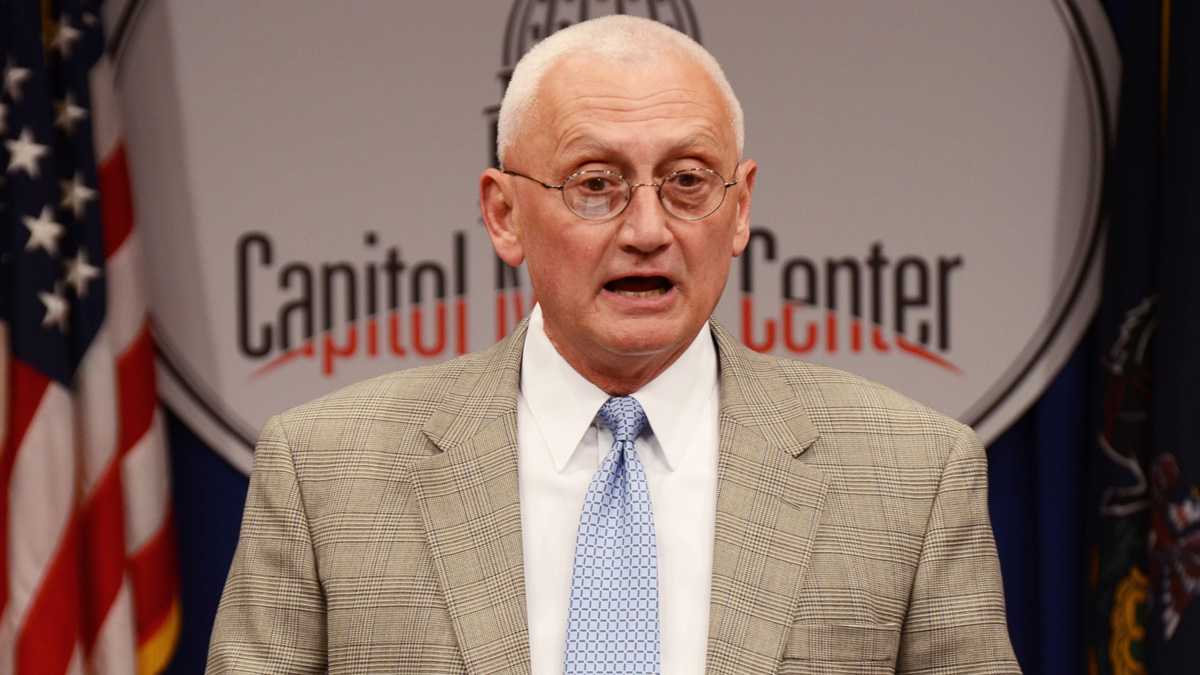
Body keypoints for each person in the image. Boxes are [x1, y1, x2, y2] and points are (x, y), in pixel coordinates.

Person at [207, 15, 1020, 675]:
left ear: (740, 210)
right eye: (595, 184)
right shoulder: (324, 472)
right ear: (503, 214)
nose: (646, 229)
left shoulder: (914, 474)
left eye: (689, 181)